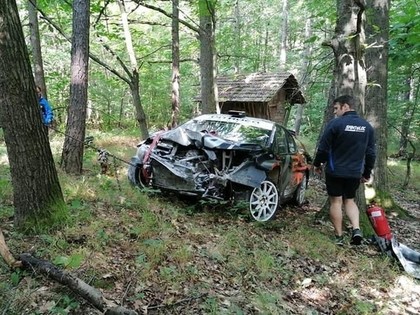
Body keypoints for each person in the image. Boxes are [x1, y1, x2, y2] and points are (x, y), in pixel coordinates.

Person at [313, 95, 376, 246]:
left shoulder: (335, 124)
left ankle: (339, 236)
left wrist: (317, 164)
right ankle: (356, 229)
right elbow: (371, 153)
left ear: (345, 106)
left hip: (335, 171)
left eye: (336, 108)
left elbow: (323, 148)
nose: (335, 112)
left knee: (336, 201)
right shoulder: (367, 127)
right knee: (350, 200)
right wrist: (366, 173)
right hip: (355, 173)